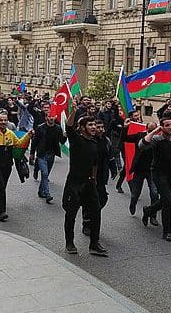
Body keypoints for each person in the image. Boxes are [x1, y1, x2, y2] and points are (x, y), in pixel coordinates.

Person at [62, 103, 107, 256]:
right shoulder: (76, 140)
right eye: (90, 124)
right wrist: (73, 112)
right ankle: (69, 242)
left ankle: (94, 244)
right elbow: (69, 127)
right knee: (71, 214)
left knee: (96, 212)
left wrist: (93, 179)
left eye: (94, 124)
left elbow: (95, 163)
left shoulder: (94, 143)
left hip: (89, 183)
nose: (94, 127)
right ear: (82, 127)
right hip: (75, 183)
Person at [139, 117, 171, 242]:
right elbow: (142, 145)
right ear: (162, 127)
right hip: (158, 173)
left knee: (165, 199)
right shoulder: (156, 139)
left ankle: (148, 210)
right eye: (167, 125)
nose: (170, 127)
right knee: (168, 201)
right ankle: (167, 232)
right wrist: (156, 130)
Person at [0, 112, 32, 222]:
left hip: (7, 166)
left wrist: (28, 135)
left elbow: (18, 143)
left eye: (5, 120)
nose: (3, 122)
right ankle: (2, 212)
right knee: (0, 187)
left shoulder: (10, 133)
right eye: (1, 120)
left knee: (1, 187)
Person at [127, 120, 159, 225]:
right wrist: (125, 128)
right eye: (150, 130)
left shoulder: (159, 139)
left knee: (154, 194)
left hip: (152, 171)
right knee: (135, 193)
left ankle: (153, 215)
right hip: (140, 170)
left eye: (154, 130)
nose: (152, 132)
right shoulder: (140, 136)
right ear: (146, 129)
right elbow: (125, 138)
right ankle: (133, 203)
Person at [30, 113, 66, 203]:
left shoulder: (58, 128)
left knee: (46, 175)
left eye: (53, 116)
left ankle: (40, 191)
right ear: (46, 117)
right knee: (44, 173)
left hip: (52, 154)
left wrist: (65, 136)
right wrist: (32, 153)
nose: (51, 118)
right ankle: (47, 194)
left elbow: (62, 141)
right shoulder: (40, 128)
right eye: (49, 116)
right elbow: (35, 141)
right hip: (42, 154)